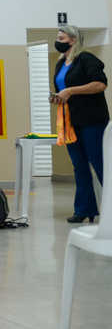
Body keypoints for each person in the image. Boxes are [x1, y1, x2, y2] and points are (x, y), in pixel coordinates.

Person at [51, 25, 109, 223]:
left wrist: (71, 91)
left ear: (73, 40)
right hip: (70, 122)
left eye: (61, 38)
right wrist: (58, 97)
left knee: (100, 164)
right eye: (57, 37)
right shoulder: (60, 63)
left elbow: (100, 84)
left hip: (92, 121)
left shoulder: (86, 58)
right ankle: (84, 209)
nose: (58, 41)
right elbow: (64, 91)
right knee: (79, 166)